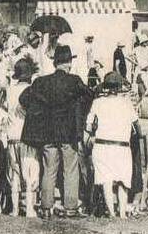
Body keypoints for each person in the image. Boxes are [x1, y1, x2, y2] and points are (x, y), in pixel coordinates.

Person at [19, 44, 94, 218]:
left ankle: (46, 207)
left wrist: (37, 114)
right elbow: (90, 95)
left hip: (47, 133)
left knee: (49, 169)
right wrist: (79, 113)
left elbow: (23, 98)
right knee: (70, 170)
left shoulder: (41, 82)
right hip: (69, 133)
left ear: (55, 63)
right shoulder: (74, 81)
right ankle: (70, 207)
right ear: (68, 63)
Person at [85, 71, 139, 219]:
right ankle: (122, 213)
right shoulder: (126, 103)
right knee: (123, 180)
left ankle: (112, 213)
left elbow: (89, 126)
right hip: (122, 147)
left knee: (106, 180)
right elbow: (136, 126)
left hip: (102, 146)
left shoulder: (97, 102)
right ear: (120, 86)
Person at [3, 58, 38, 217]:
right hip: (27, 135)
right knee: (29, 173)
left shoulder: (10, 90)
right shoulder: (32, 91)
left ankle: (15, 209)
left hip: (11, 135)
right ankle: (30, 208)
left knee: (14, 172)